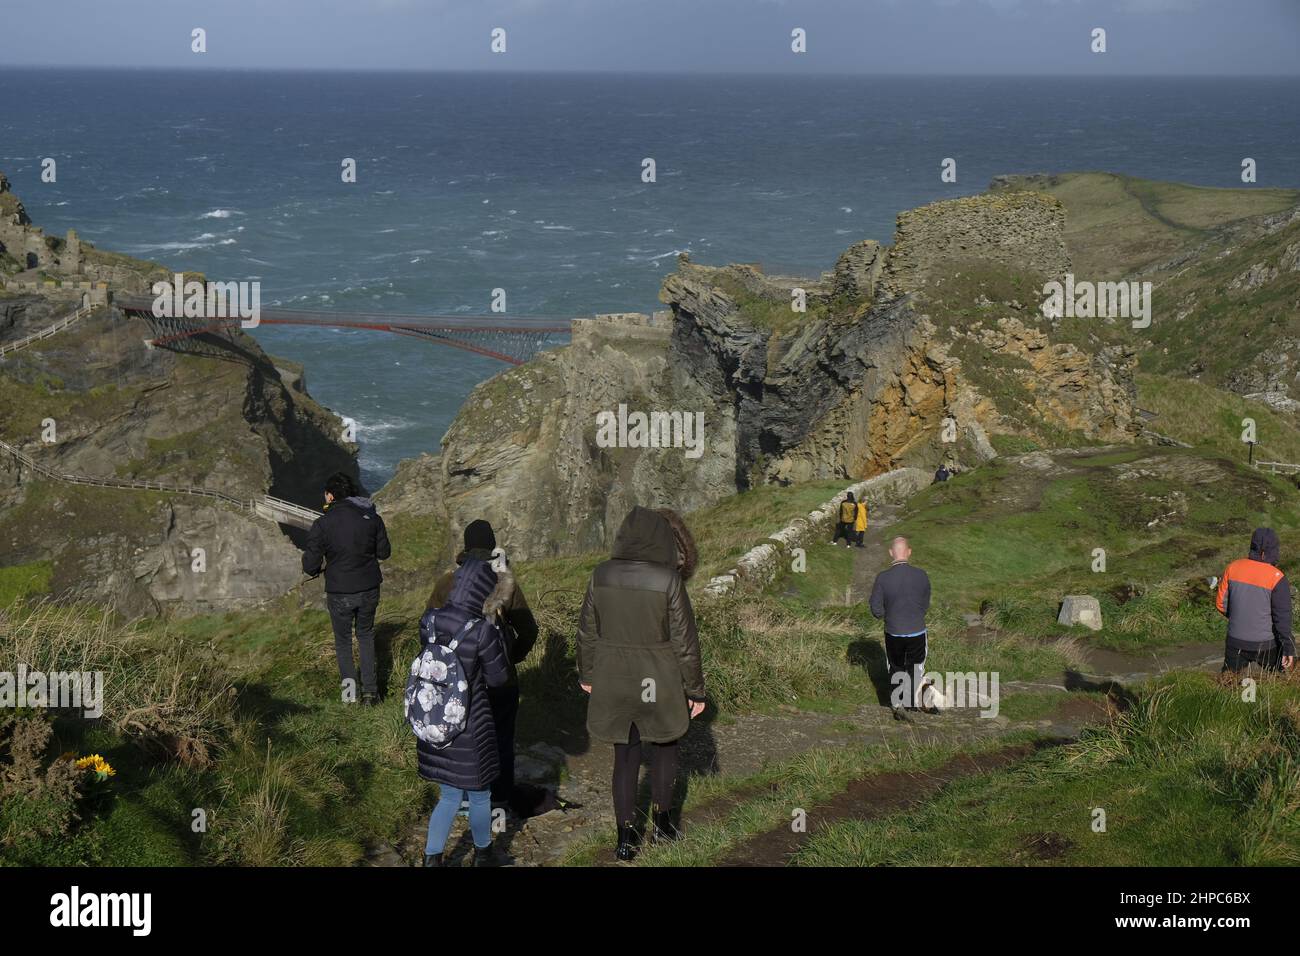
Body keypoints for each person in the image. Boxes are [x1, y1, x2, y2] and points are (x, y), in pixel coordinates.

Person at [576, 506, 706, 861]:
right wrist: (695, 689)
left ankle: (626, 838)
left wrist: (588, 675)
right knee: (665, 748)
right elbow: (684, 642)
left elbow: (587, 632)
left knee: (625, 754)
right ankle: (664, 827)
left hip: (614, 678)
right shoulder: (669, 581)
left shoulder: (600, 575)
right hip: (660, 679)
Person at [426, 519, 544, 816]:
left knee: (463, 738)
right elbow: (528, 629)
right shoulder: (504, 583)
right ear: (492, 548)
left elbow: (429, 627)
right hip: (500, 680)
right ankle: (499, 802)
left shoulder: (447, 583)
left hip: (458, 678)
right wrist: (510, 658)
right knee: (501, 739)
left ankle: (464, 802)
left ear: (465, 548)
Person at [418, 558, 512, 867]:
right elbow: (499, 679)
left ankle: (432, 858)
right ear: (482, 593)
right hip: (472, 724)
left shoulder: (429, 619)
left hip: (436, 719)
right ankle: (483, 855)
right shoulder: (482, 631)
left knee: (448, 795)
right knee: (480, 795)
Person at [302, 472, 391, 706]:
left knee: (343, 642)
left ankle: (350, 695)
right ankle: (371, 694)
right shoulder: (372, 518)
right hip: (370, 586)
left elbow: (310, 565)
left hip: (340, 591)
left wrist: (320, 567)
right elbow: (384, 553)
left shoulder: (322, 524)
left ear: (330, 496)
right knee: (365, 635)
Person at [868, 536, 934, 720]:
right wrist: (915, 614)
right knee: (916, 667)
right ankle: (911, 703)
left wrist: (886, 616)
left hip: (893, 631)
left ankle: (898, 704)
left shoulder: (883, 578)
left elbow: (876, 609)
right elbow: (925, 603)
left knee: (896, 666)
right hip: (917, 630)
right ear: (909, 552)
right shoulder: (921, 575)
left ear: (891, 553)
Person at [1216, 527, 1295, 674]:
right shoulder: (1277, 577)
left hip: (1235, 641)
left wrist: (1240, 616)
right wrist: (1288, 647)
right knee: (1279, 683)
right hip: (1266, 644)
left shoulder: (1232, 567)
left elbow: (1221, 604)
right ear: (1270, 551)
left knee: (1228, 685)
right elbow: (1282, 619)